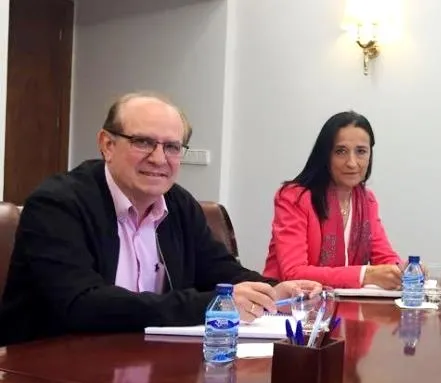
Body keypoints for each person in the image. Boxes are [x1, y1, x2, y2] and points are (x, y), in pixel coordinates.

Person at [0, 92, 319, 345]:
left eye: (172, 147)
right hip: (48, 376)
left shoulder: (179, 204)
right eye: (143, 142)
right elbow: (82, 305)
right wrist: (213, 305)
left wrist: (274, 290)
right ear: (107, 145)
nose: (158, 158)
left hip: (146, 368)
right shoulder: (58, 203)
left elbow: (220, 271)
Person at [263, 111, 403, 290]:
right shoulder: (294, 197)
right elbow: (293, 273)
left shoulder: (367, 201)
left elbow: (384, 257)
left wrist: (403, 271)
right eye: (340, 151)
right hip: (291, 308)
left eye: (361, 151)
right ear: (325, 155)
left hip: (347, 307)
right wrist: (365, 275)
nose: (352, 163)